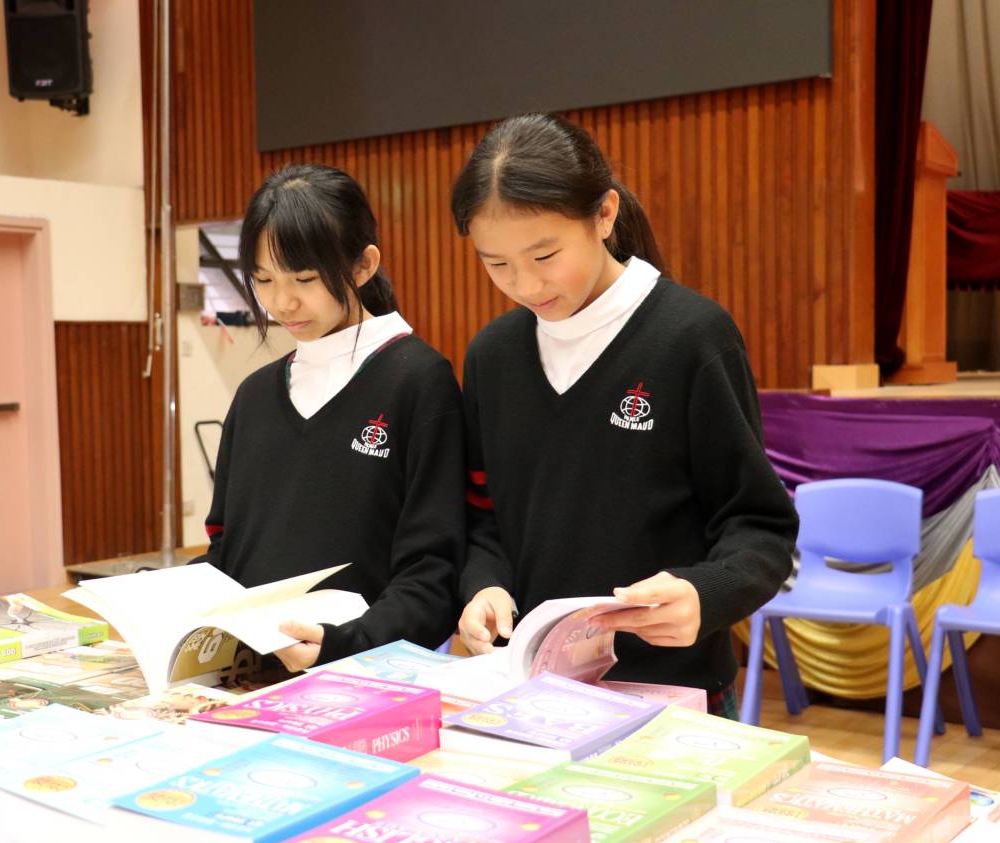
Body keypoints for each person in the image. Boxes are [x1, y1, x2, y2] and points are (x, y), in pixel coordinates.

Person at [451, 114, 797, 717]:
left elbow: (760, 527)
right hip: (533, 692)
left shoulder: (691, 337)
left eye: (545, 255)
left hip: (672, 694)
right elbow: (484, 518)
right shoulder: (493, 356)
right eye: (497, 264)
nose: (525, 285)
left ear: (604, 214)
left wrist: (703, 594)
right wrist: (484, 584)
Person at [198, 163, 464, 671]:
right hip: (251, 677)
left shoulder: (418, 380)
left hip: (368, 676)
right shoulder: (255, 396)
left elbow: (432, 574)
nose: (282, 302)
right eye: (263, 280)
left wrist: (345, 642)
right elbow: (226, 552)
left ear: (364, 266)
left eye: (305, 278)